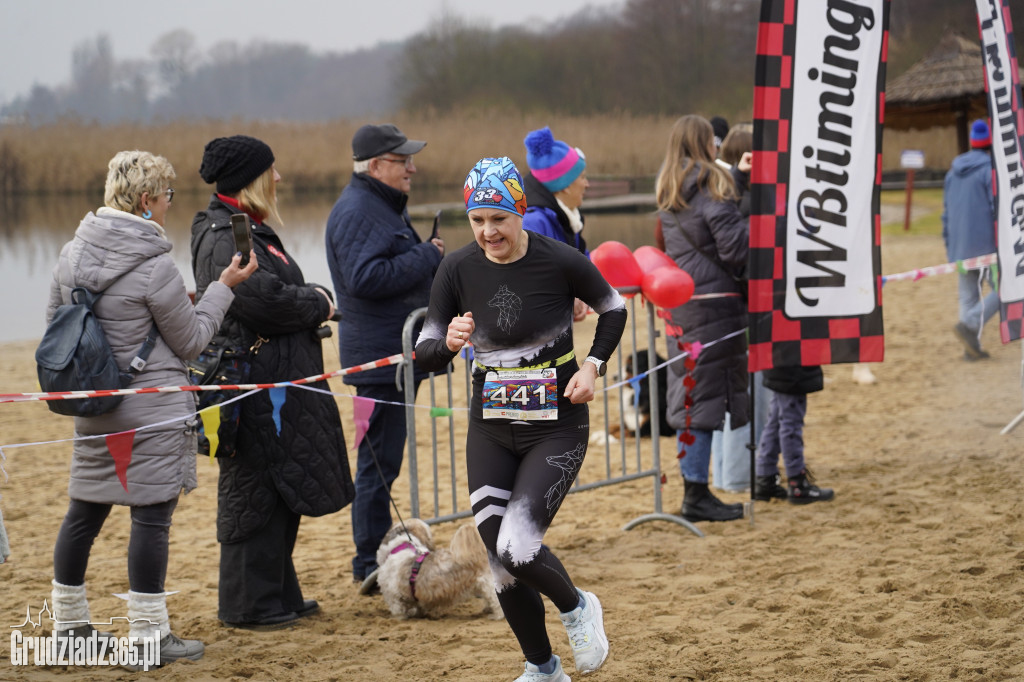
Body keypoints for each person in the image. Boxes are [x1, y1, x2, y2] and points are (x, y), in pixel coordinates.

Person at [415, 157, 626, 681]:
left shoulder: (559, 259)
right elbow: (424, 351)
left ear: (521, 212)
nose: (488, 232)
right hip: (490, 427)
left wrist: (593, 366)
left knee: (517, 545)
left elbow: (615, 307)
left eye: (499, 220)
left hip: (557, 424)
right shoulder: (456, 268)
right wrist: (447, 343)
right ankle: (543, 667)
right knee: (499, 560)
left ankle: (578, 607)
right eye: (478, 220)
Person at [48, 150, 257, 665]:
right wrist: (220, 290)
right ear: (146, 200)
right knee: (151, 519)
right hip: (151, 406)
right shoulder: (154, 263)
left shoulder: (71, 253)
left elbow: (58, 328)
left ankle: (69, 625)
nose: (169, 205)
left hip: (95, 403)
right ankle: (148, 634)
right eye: (166, 196)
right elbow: (191, 342)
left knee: (83, 512)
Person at [191, 135, 354, 629]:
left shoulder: (249, 229)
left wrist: (309, 296)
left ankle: (278, 592)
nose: (279, 178)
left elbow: (280, 290)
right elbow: (263, 302)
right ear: (249, 181)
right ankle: (248, 604)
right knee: (253, 487)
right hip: (253, 384)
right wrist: (318, 303)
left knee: (282, 485)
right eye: (271, 171)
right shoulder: (225, 234)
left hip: (282, 381)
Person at [324, 123, 444, 587]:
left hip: (389, 354)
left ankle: (372, 558)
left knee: (384, 463)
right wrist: (429, 254)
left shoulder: (376, 205)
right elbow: (365, 278)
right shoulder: (359, 209)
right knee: (378, 467)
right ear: (376, 166)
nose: (412, 167)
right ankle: (368, 564)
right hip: (379, 360)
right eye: (402, 160)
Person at [656, 114, 751, 523]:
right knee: (705, 399)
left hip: (682, 305)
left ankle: (694, 487)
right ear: (704, 144)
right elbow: (735, 248)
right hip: (715, 306)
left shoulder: (671, 189)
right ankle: (696, 493)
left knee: (691, 394)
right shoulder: (713, 186)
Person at [708, 122, 767, 494]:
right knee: (743, 396)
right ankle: (737, 475)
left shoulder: (717, 194)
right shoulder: (742, 202)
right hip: (742, 308)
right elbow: (743, 254)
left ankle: (727, 472)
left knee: (724, 397)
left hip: (725, 309)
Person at [942, 118, 998, 361]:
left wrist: (949, 246)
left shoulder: (950, 174)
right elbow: (997, 210)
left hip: (959, 247)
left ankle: (970, 348)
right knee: (1008, 290)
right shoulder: (990, 171)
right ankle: (970, 324)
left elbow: (945, 213)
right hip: (987, 248)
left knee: (968, 297)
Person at [523, 126, 590, 323]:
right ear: (566, 186)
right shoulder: (534, 222)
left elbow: (580, 264)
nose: (587, 184)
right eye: (583, 177)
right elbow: (529, 277)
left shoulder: (568, 219)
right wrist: (569, 299)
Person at [753, 364, 835, 504]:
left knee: (775, 419)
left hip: (777, 362)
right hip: (792, 366)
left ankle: (765, 478)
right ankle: (797, 482)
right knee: (790, 422)